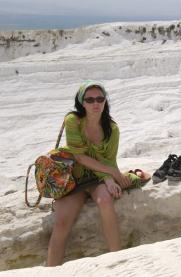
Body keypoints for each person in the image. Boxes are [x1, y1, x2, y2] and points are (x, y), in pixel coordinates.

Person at [47, 80, 149, 266]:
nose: (95, 104)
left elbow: (109, 159)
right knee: (61, 222)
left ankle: (117, 260)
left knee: (106, 200)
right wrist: (111, 174)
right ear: (82, 103)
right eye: (90, 99)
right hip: (73, 177)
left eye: (100, 99)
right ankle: (51, 270)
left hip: (96, 177)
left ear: (105, 102)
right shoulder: (73, 121)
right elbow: (79, 157)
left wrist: (109, 180)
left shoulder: (112, 129)